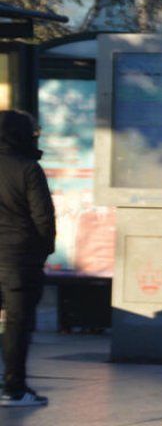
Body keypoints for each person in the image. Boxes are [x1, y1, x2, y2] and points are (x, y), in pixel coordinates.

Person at [0, 110, 55, 407]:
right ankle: (13, 388)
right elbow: (43, 217)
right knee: (18, 325)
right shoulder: (28, 168)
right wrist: (43, 249)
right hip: (19, 259)